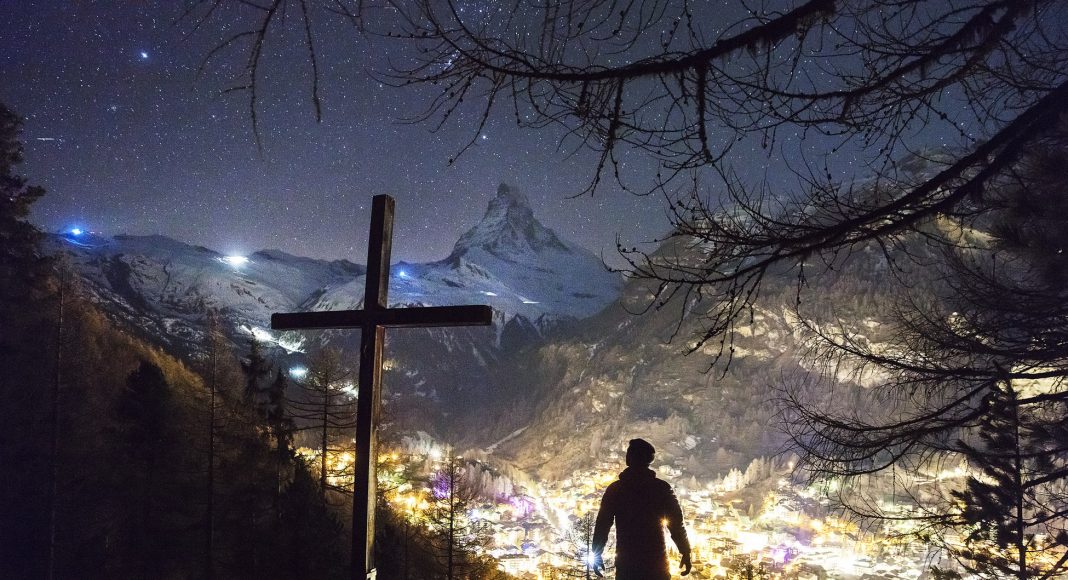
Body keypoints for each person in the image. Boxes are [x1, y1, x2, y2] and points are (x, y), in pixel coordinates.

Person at [591, 438, 692, 579]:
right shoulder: (661, 488)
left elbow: (603, 524)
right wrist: (685, 550)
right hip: (656, 564)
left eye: (629, 453)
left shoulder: (616, 490)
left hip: (627, 565)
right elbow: (676, 524)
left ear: (631, 458)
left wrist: (597, 552)